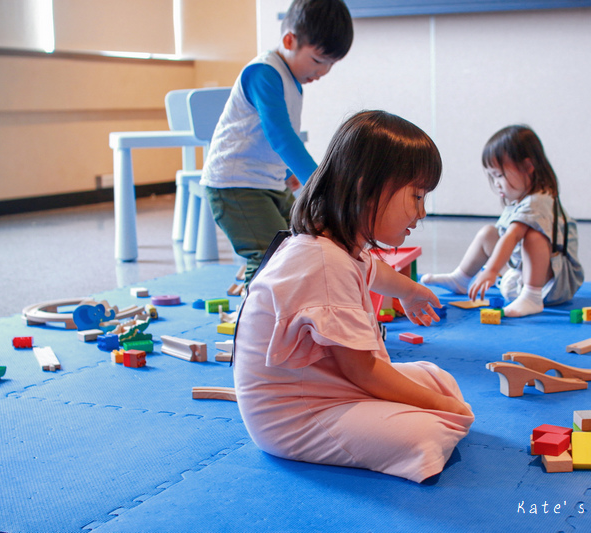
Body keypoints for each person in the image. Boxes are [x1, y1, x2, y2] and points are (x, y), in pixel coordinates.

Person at [233, 110, 474, 483]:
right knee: (426, 433)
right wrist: (442, 408)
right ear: (367, 186)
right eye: (416, 195)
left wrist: (410, 291)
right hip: (295, 415)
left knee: (437, 377)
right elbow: (361, 370)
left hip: (326, 386)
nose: (422, 212)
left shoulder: (337, 244)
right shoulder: (324, 261)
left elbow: (373, 271)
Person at [201, 0, 353, 283]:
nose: (322, 72)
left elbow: (263, 139)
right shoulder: (264, 72)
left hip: (266, 182)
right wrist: (319, 182)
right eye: (318, 61)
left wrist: (288, 173)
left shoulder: (292, 79)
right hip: (235, 184)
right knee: (269, 254)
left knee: (297, 243)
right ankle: (250, 321)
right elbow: (280, 135)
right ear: (288, 40)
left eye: (330, 65)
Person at [420, 125, 583, 318]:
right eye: (492, 176)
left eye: (499, 175)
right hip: (520, 273)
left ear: (528, 167)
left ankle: (532, 296)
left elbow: (512, 236)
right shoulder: (521, 200)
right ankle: (461, 279)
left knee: (534, 237)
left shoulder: (538, 201)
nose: (496, 182)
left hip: (554, 284)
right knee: (489, 233)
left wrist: (491, 270)